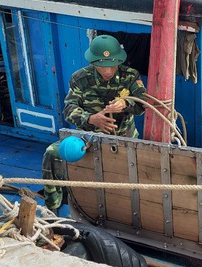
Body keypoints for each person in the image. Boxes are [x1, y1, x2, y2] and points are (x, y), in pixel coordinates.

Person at [41, 35, 147, 212]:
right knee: (52, 154)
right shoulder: (80, 78)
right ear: (93, 63)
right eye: (102, 66)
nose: (107, 71)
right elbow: (69, 110)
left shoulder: (130, 76)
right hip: (88, 138)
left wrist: (126, 104)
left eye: (112, 66)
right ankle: (52, 208)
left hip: (124, 139)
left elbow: (143, 104)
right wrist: (91, 119)